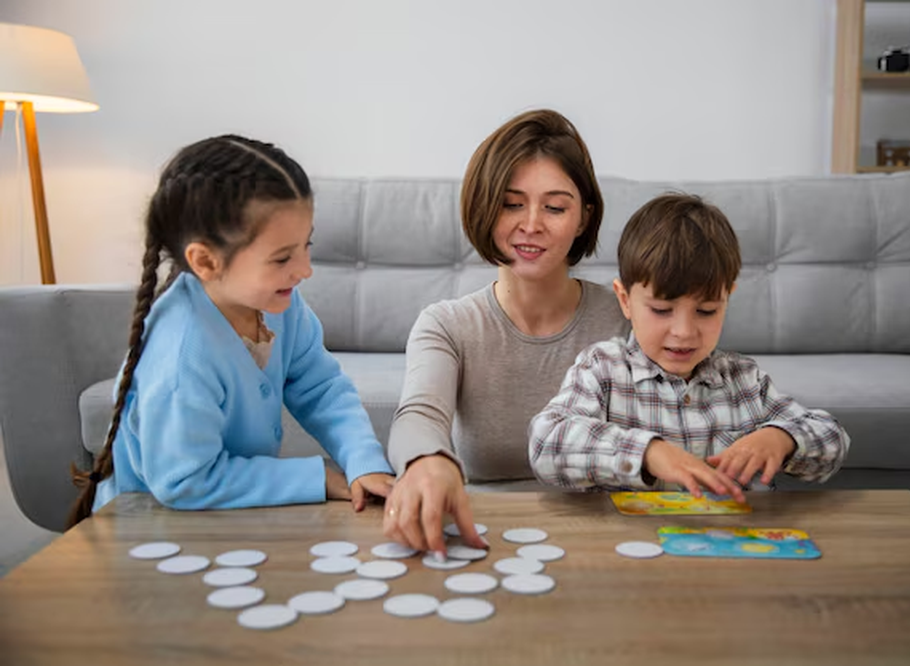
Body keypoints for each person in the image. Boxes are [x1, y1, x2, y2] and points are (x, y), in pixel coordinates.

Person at [66, 135, 394, 527]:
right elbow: (186, 481)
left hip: (229, 513)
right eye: (283, 257)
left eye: (306, 246)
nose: (305, 269)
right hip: (153, 529)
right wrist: (317, 477)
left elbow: (321, 387)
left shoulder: (279, 305)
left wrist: (361, 460)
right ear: (206, 261)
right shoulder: (180, 356)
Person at [383, 110, 630, 556]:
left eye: (555, 207)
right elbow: (418, 415)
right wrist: (426, 461)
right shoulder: (447, 325)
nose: (532, 224)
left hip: (603, 539)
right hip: (486, 534)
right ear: (483, 205)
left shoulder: (627, 318)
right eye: (511, 203)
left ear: (583, 217)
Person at [529, 194, 849, 495]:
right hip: (636, 546)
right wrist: (649, 453)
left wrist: (783, 439)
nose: (683, 332)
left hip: (734, 545)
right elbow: (546, 443)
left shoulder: (745, 380)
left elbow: (832, 438)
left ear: (726, 300)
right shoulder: (602, 369)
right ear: (625, 300)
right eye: (661, 310)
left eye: (706, 311)